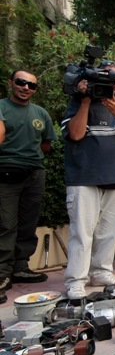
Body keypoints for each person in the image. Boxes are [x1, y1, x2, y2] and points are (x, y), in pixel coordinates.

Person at [62, 61, 115, 299]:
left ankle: (101, 272)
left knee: (109, 232)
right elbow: (75, 134)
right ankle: (76, 280)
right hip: (84, 178)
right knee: (82, 232)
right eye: (111, 77)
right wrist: (86, 100)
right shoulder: (78, 103)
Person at [0, 70, 57, 302]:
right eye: (21, 83)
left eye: (31, 85)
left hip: (34, 172)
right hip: (5, 172)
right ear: (11, 83)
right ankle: (3, 272)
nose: (26, 88)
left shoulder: (40, 113)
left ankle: (21, 267)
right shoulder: (2, 107)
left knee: (28, 221)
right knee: (5, 223)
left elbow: (46, 144)